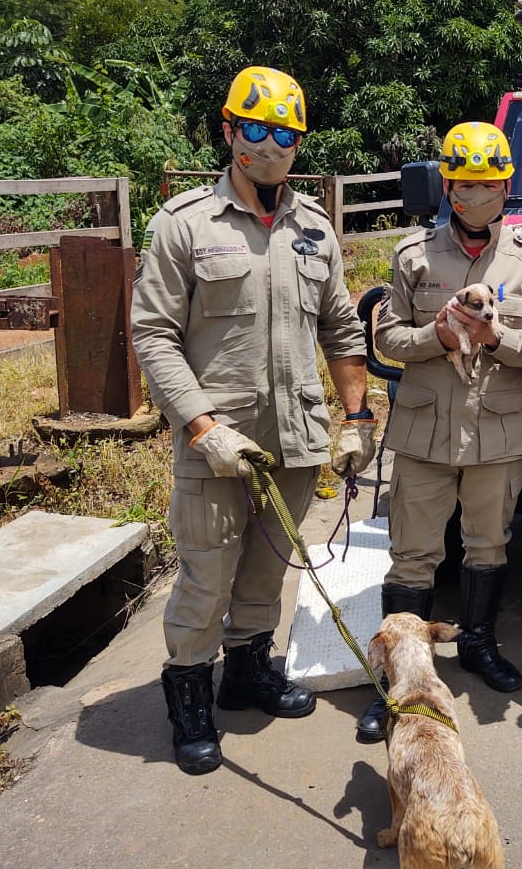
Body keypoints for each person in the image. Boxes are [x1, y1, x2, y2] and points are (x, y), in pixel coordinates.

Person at [131, 65, 373, 776]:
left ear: (299, 142)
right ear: (229, 129)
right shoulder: (185, 224)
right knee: (207, 576)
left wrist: (355, 418)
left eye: (286, 134)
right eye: (257, 129)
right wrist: (202, 425)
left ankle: (247, 674)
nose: (271, 145)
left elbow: (341, 330)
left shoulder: (314, 230)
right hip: (219, 441)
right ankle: (189, 695)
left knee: (268, 571)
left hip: (295, 437)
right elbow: (153, 334)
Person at [355, 121, 522, 744]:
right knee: (413, 556)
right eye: (466, 183)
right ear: (447, 186)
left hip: (496, 433)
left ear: (507, 186)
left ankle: (478, 647)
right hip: (423, 431)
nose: (479, 194)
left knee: (488, 547)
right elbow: (384, 339)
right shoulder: (414, 256)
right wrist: (435, 337)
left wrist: (495, 336)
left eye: (491, 183)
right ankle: (396, 680)